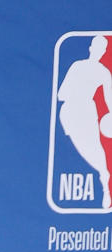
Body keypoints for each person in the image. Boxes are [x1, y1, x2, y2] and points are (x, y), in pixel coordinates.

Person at [58, 36, 112, 211]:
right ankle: (104, 175)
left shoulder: (102, 72)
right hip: (71, 113)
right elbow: (60, 94)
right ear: (92, 48)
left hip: (84, 113)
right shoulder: (79, 66)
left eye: (102, 48)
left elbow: (109, 100)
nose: (99, 51)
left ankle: (104, 180)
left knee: (94, 149)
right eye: (98, 47)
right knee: (85, 150)